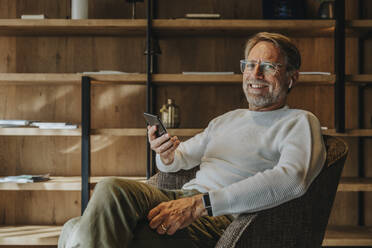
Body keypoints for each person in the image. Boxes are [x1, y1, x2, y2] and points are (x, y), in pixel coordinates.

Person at [59, 32, 326, 248]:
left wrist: (202, 204)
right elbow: (178, 160)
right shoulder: (227, 119)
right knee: (109, 188)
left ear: (292, 78)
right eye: (249, 65)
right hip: (180, 196)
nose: (255, 75)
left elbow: (292, 180)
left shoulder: (299, 122)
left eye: (268, 66)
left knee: (77, 230)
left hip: (219, 217)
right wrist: (165, 154)